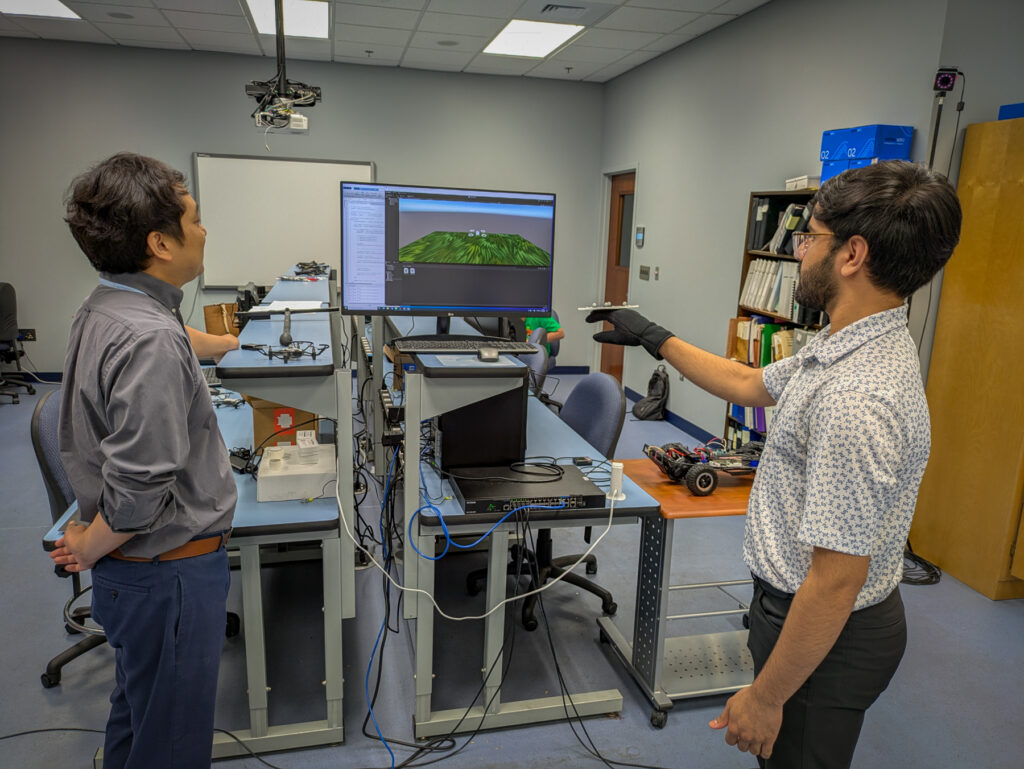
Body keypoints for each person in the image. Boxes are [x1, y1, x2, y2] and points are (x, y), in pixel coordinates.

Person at [587, 160, 961, 769]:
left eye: (807, 237)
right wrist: (654, 335)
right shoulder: (845, 344)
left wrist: (766, 696)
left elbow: (836, 581)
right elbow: (748, 382)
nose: (797, 251)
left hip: (827, 638)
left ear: (851, 254)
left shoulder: (858, 399)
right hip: (801, 615)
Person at [49, 152, 239, 769]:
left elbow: (181, 341)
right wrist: (88, 545)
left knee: (141, 712)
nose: (205, 230)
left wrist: (237, 341)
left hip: (137, 576)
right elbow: (140, 486)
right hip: (169, 570)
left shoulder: (108, 306)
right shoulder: (152, 337)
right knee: (176, 742)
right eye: (195, 219)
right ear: (160, 242)